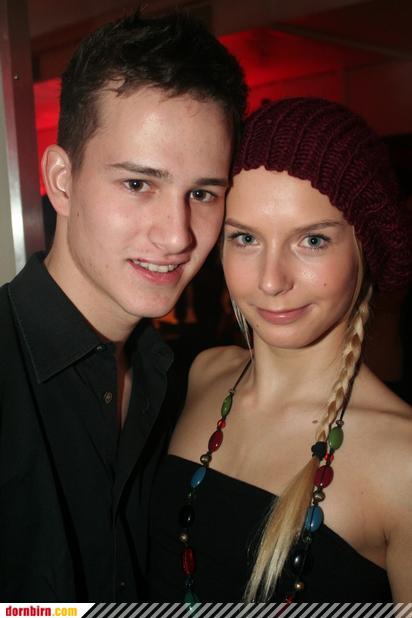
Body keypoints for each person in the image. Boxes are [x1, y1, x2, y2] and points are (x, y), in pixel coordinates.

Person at [0, 9, 247, 601]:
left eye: (202, 193)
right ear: (62, 181)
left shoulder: (169, 380)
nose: (177, 235)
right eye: (138, 184)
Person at [147, 97, 412, 603]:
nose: (271, 281)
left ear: (365, 248)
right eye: (245, 238)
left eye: (312, 241)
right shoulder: (203, 374)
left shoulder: (403, 462)